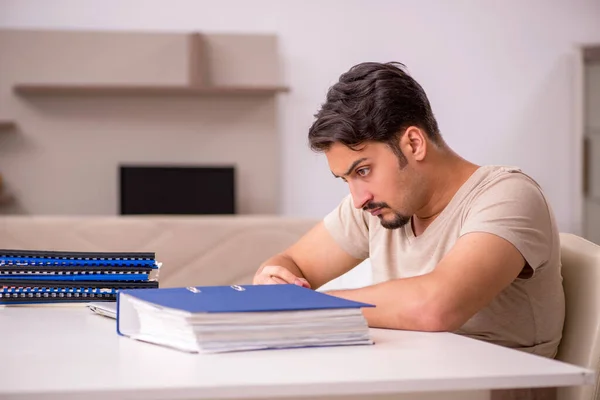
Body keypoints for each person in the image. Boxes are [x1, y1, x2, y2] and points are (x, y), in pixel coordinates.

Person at [253, 61, 565, 361]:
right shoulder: (377, 206)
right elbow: (292, 262)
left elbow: (436, 306)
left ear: (413, 144)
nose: (358, 198)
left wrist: (307, 306)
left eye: (362, 171)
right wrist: (272, 282)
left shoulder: (508, 195)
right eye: (346, 179)